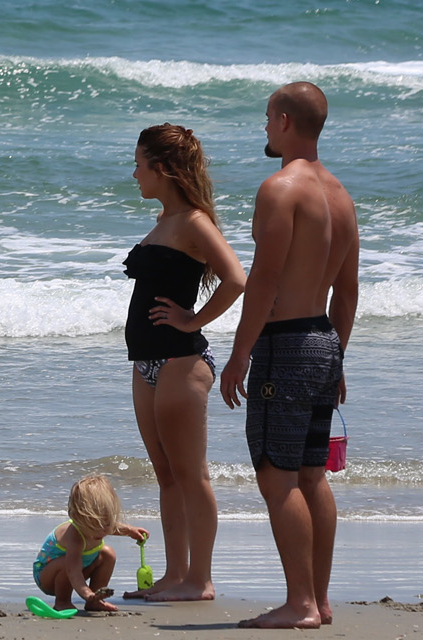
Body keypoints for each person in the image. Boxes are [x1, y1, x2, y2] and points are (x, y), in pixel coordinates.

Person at [221, 81, 357, 630]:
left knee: (276, 478)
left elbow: (266, 279)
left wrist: (239, 354)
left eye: (265, 119)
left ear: (282, 120)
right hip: (323, 339)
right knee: (311, 476)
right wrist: (337, 358)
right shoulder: (341, 196)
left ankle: (299, 603)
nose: (263, 128)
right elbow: (347, 291)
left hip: (286, 344)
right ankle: (318, 601)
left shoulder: (280, 189)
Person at [121, 124, 246, 602]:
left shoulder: (194, 222)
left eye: (139, 164)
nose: (134, 173)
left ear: (162, 169)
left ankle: (201, 579)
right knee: (166, 474)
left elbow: (236, 278)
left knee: (191, 475)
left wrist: (192, 321)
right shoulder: (163, 221)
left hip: (180, 360)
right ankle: (176, 576)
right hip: (146, 362)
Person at [33, 474, 149, 612]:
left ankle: (95, 601)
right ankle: (62, 601)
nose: (102, 532)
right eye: (94, 526)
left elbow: (113, 527)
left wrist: (130, 530)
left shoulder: (102, 526)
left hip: (78, 569)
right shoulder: (74, 535)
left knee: (107, 553)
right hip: (49, 577)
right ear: (78, 519)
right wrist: (86, 593)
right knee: (66, 563)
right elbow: (73, 570)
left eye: (106, 523)